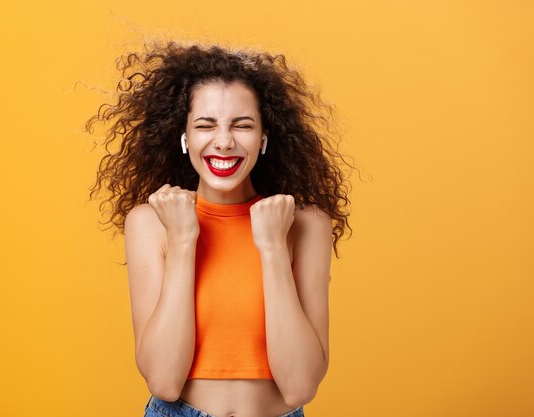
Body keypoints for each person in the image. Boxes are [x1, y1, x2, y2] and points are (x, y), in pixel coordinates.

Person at [85, 40, 354, 417]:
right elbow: (163, 381)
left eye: (241, 125)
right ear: (184, 137)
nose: (224, 142)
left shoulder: (305, 224)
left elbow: (300, 386)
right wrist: (182, 240)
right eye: (205, 125)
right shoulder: (151, 222)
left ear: (263, 139)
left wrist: (274, 248)